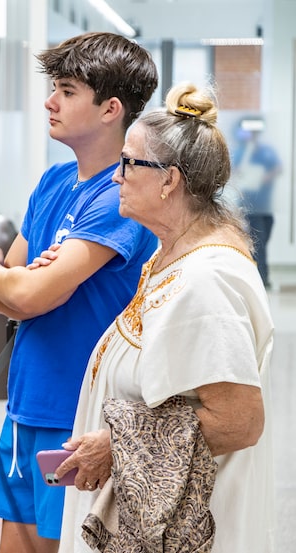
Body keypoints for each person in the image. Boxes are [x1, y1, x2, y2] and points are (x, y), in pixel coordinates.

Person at [54, 82, 275, 552]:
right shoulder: (170, 255)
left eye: (128, 163)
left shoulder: (208, 280)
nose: (116, 176)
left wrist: (117, 446)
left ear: (169, 179)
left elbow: (240, 421)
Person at [0, 32, 158, 553]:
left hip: (77, 418)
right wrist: (13, 278)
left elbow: (26, 294)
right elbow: (8, 291)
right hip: (25, 405)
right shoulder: (53, 181)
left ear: (110, 109)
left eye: (67, 91)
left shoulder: (123, 194)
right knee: (18, 544)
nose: (50, 102)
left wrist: (10, 278)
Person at [230, 116, 282, 288]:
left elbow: (278, 168)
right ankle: (261, 280)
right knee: (258, 243)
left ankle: (261, 277)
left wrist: (265, 177)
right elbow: (236, 173)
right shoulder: (241, 152)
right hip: (250, 207)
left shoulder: (266, 151)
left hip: (266, 206)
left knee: (263, 241)